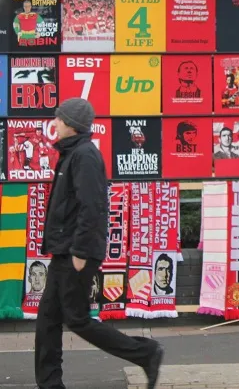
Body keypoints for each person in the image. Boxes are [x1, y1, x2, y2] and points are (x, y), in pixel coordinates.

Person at [35, 98, 163, 389]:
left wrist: (80, 252)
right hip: (64, 251)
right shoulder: (71, 154)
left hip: (76, 253)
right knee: (47, 322)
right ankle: (49, 383)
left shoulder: (85, 156)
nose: (54, 123)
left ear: (70, 124)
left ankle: (146, 352)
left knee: (77, 319)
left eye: (58, 118)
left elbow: (93, 207)